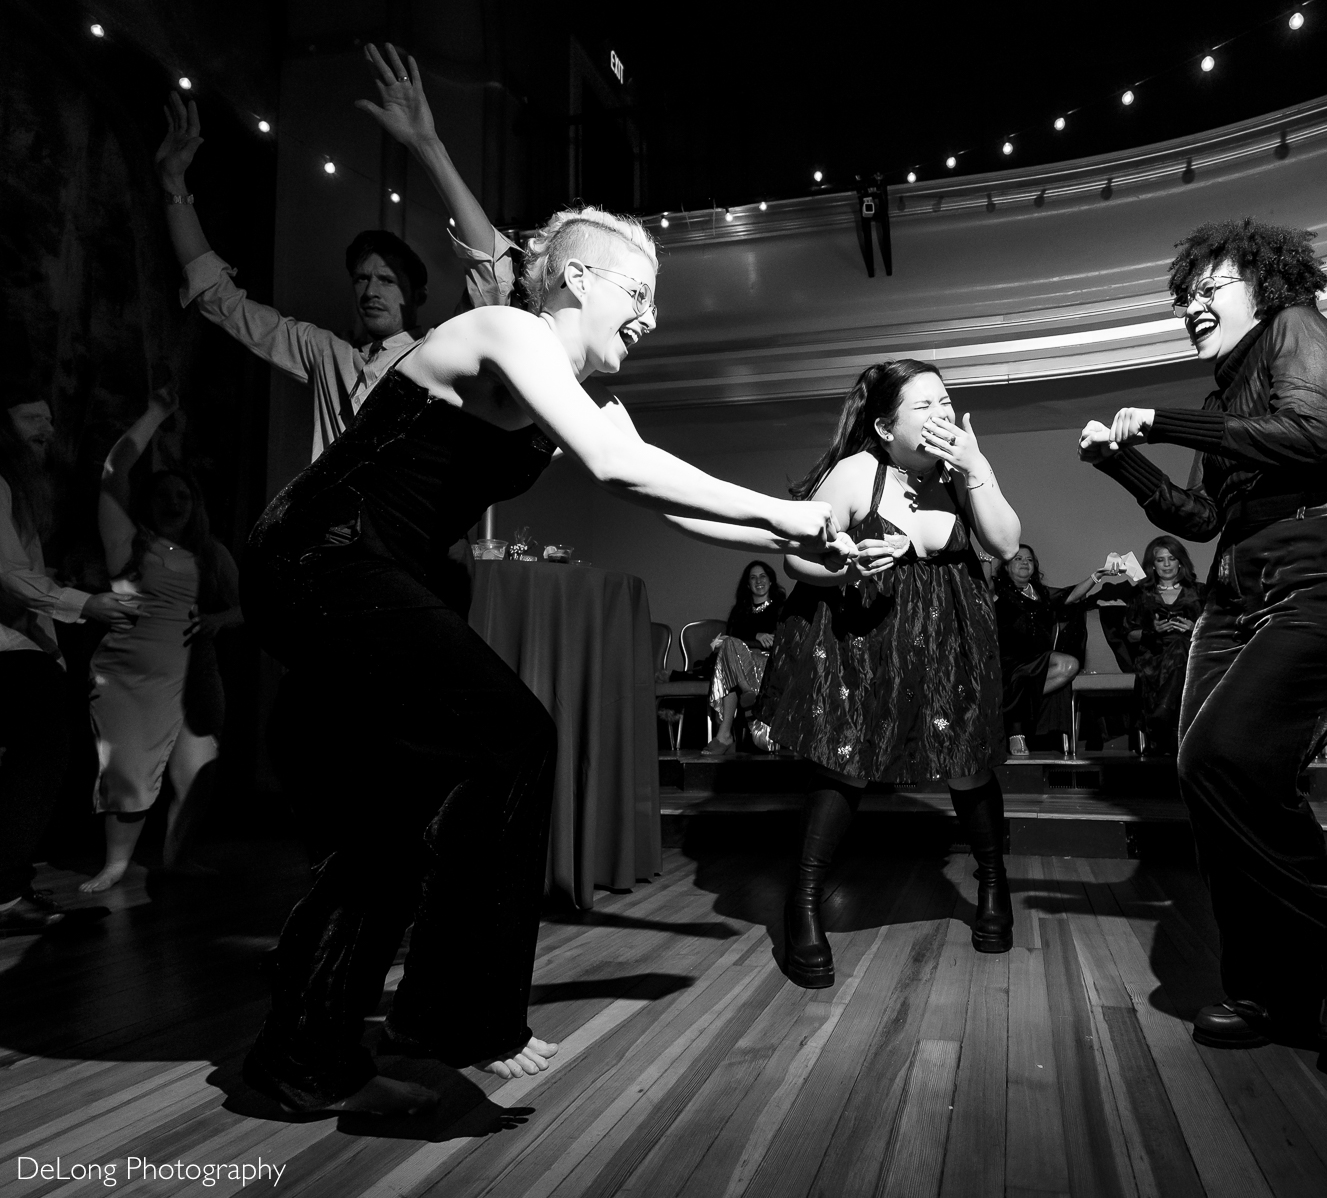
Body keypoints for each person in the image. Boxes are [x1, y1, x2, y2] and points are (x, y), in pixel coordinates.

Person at [239, 203, 841, 1117]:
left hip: (379, 572)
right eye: (638, 292)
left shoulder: (573, 399)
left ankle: (302, 1055)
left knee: (397, 825)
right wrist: (786, 512)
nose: (650, 317)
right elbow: (617, 466)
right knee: (512, 738)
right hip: (321, 554)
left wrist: (802, 542)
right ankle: (450, 1014)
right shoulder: (506, 328)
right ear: (578, 280)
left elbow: (666, 503)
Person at [1079, 218, 1327, 1053]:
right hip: (1237, 584)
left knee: (1234, 757)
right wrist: (1121, 462)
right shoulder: (1223, 401)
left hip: (1322, 565)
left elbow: (1308, 434)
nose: (1194, 305)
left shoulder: (1301, 329)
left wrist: (1160, 421)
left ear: (1265, 285)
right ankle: (1262, 984)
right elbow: (1202, 518)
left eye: (1210, 288)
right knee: (1203, 772)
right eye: (1186, 296)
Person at [759, 359, 1022, 989]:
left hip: (951, 638)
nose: (940, 413)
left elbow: (1007, 544)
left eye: (945, 401)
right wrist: (848, 569)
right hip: (867, 636)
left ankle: (991, 884)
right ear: (884, 426)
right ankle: (803, 903)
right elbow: (798, 559)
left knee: (967, 762)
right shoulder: (857, 473)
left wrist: (979, 467)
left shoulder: (963, 475)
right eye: (923, 405)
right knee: (845, 762)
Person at [155, 43, 517, 463]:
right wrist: (173, 184)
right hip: (328, 526)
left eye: (387, 279)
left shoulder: (437, 350)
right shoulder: (328, 353)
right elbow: (217, 297)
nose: (370, 291)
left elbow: (489, 269)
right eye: (362, 278)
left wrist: (426, 144)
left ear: (417, 294)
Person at [80, 388, 242, 893]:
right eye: (164, 495)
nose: (174, 503)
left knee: (196, 775)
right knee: (126, 775)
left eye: (183, 496)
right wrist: (155, 412)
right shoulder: (129, 542)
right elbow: (114, 474)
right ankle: (116, 864)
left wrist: (220, 621)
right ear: (146, 502)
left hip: (196, 675)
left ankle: (178, 858)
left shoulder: (211, 553)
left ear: (194, 504)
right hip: (130, 679)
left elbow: (246, 607)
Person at [0, 394, 140, 933]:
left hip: (23, 647)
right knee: (43, 747)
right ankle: (5, 892)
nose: (48, 429)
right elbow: (7, 572)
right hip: (8, 651)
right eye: (32, 417)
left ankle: (8, 886)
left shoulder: (19, 490)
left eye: (51, 420)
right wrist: (86, 604)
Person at [992, 544, 1127, 755]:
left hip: (1038, 659)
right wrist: (985, 561)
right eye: (1018, 559)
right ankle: (1015, 731)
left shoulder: (1041, 594)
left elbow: (1071, 595)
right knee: (1020, 678)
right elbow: (979, 592)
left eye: (1028, 559)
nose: (1024, 563)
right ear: (1006, 566)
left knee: (1069, 665)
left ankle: (1007, 712)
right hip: (1008, 662)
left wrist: (1097, 575)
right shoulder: (998, 591)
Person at [1123, 536, 1202, 757]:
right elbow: (1130, 635)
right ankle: (1164, 713)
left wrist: (1193, 627)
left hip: (1190, 657)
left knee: (1179, 644)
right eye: (1160, 560)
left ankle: (1162, 714)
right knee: (1174, 650)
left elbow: (1216, 630)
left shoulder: (1199, 592)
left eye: (1171, 559)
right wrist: (1152, 630)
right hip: (1153, 655)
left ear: (1181, 562)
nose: (1166, 565)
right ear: (1152, 564)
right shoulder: (1141, 593)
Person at [702, 559, 784, 756]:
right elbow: (724, 641)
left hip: (767, 665)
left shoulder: (780, 608)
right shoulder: (740, 611)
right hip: (740, 665)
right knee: (728, 645)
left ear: (770, 581)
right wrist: (755, 636)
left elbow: (780, 642)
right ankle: (748, 695)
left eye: (763, 576)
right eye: (753, 578)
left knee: (728, 658)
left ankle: (724, 736)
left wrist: (748, 642)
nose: (758, 581)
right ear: (748, 584)